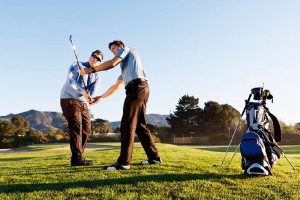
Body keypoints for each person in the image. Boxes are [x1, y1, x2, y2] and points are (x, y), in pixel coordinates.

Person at [81, 40, 162, 170]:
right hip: (142, 88)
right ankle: (154, 158)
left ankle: (124, 163)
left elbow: (112, 63)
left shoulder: (127, 50)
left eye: (114, 48)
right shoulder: (126, 66)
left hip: (136, 88)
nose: (113, 51)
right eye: (112, 50)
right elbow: (116, 86)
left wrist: (90, 70)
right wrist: (101, 97)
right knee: (140, 126)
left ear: (121, 46)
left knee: (127, 124)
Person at [61, 50, 103, 166]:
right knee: (76, 127)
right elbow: (72, 81)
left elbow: (92, 92)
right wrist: (83, 91)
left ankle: (79, 157)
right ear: (90, 57)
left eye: (98, 59)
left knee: (86, 128)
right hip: (68, 99)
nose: (95, 59)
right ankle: (76, 159)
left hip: (83, 103)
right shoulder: (77, 64)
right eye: (94, 57)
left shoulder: (96, 76)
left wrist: (91, 97)